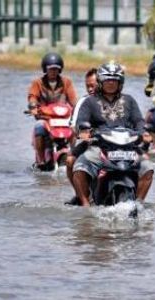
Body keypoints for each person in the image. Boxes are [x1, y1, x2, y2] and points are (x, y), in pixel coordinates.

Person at [72, 61, 154, 207]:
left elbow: (139, 121)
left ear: (120, 82)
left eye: (114, 80)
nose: (111, 83)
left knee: (147, 168)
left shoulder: (129, 100)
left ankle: (139, 204)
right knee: (79, 168)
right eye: (107, 80)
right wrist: (84, 132)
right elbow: (81, 121)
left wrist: (144, 133)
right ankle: (85, 206)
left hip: (128, 147)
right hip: (99, 147)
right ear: (100, 81)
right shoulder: (90, 102)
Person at [27, 52, 78, 171]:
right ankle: (40, 160)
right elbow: (32, 96)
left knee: (76, 128)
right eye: (51, 69)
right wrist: (33, 106)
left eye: (56, 69)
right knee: (38, 127)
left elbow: (73, 100)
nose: (53, 72)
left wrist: (79, 107)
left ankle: (76, 155)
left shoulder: (67, 82)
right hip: (45, 119)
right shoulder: (37, 83)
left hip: (63, 119)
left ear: (60, 70)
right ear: (45, 69)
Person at [65, 68, 98, 204]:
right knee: (70, 161)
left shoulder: (118, 99)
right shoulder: (83, 102)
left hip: (114, 142)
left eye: (93, 85)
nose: (90, 89)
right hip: (90, 142)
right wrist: (83, 133)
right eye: (88, 86)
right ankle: (81, 197)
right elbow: (73, 126)